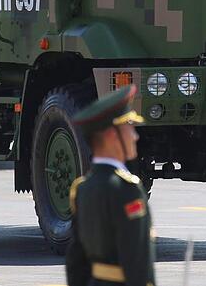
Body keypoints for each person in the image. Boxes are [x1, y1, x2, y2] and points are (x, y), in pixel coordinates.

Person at [64, 84, 154, 286]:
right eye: (129, 128)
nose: (135, 136)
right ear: (112, 136)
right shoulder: (126, 189)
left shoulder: (82, 189)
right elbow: (137, 263)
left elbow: (75, 261)